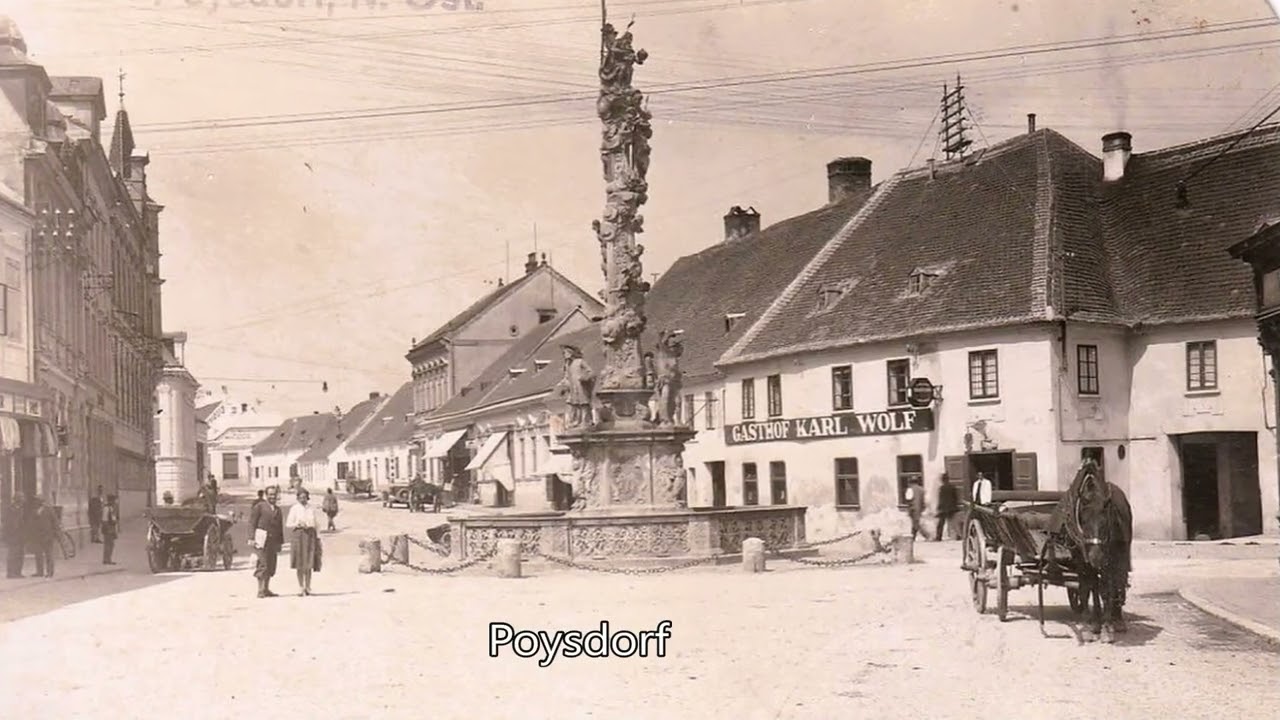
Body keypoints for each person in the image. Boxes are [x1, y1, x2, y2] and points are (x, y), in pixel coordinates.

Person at [286, 488, 321, 596]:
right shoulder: (294, 509)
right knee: (300, 563)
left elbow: (316, 524)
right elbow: (288, 524)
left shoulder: (311, 508)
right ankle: (300, 587)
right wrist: (297, 523)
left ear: (307, 497)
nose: (303, 500)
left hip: (310, 536)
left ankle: (308, 586)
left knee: (309, 562)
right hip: (298, 536)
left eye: (305, 497)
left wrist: (317, 536)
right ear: (297, 498)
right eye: (300, 498)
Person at [250, 486, 284, 598]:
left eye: (274, 494)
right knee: (262, 564)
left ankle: (266, 589)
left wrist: (280, 542)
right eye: (270, 494)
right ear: (266, 495)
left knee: (270, 564)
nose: (272, 497)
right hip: (261, 539)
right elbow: (252, 523)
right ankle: (260, 589)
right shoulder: (260, 507)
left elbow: (280, 528)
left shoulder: (278, 510)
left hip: (273, 541)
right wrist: (251, 538)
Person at [26, 495, 57, 578]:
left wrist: (54, 534)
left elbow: (55, 522)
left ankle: (50, 572)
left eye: (37, 500)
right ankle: (40, 572)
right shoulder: (33, 510)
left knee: (49, 554)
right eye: (35, 500)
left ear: (42, 501)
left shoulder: (49, 510)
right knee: (38, 554)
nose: (36, 502)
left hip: (48, 536)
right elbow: (30, 523)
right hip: (37, 536)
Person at [3, 494, 25, 578]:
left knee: (20, 554)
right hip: (12, 536)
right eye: (21, 499)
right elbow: (6, 522)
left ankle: (18, 572)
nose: (22, 501)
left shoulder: (22, 509)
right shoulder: (9, 509)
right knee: (12, 554)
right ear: (16, 500)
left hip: (21, 536)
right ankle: (10, 573)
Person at [935, 473, 959, 541]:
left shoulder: (942, 488)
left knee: (941, 524)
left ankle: (938, 537)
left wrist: (939, 507)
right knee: (954, 523)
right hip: (952, 507)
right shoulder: (952, 487)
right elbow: (955, 498)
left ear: (943, 480)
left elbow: (941, 499)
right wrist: (955, 506)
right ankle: (957, 536)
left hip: (944, 508)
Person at [101, 494, 119, 565]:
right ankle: (106, 559)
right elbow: (104, 520)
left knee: (111, 544)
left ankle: (108, 558)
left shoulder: (111, 508)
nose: (115, 502)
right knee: (108, 544)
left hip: (111, 527)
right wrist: (108, 529)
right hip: (108, 528)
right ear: (111, 501)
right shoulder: (107, 508)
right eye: (114, 500)